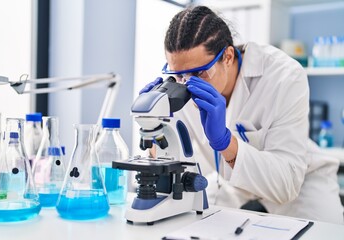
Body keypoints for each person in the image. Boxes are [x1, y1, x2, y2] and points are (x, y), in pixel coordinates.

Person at [140, 5, 343, 224]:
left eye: (200, 74)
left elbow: (286, 185)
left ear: (227, 56)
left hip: (302, 183)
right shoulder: (180, 86)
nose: (188, 84)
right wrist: (155, 123)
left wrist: (226, 143)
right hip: (233, 185)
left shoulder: (284, 75)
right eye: (178, 75)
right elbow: (175, 160)